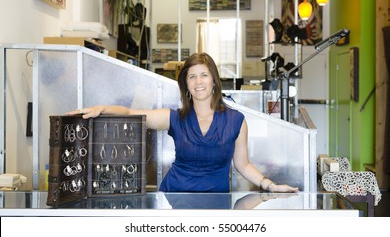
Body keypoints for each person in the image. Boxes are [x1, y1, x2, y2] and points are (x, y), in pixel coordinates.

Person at [65, 53, 298, 193]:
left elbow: (243, 165)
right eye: (192, 76)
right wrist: (101, 109)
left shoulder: (236, 120)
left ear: (214, 81)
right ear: (186, 84)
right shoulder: (175, 118)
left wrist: (270, 186)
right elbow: (131, 112)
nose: (198, 82)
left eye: (204, 75)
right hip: (174, 199)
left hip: (216, 204)